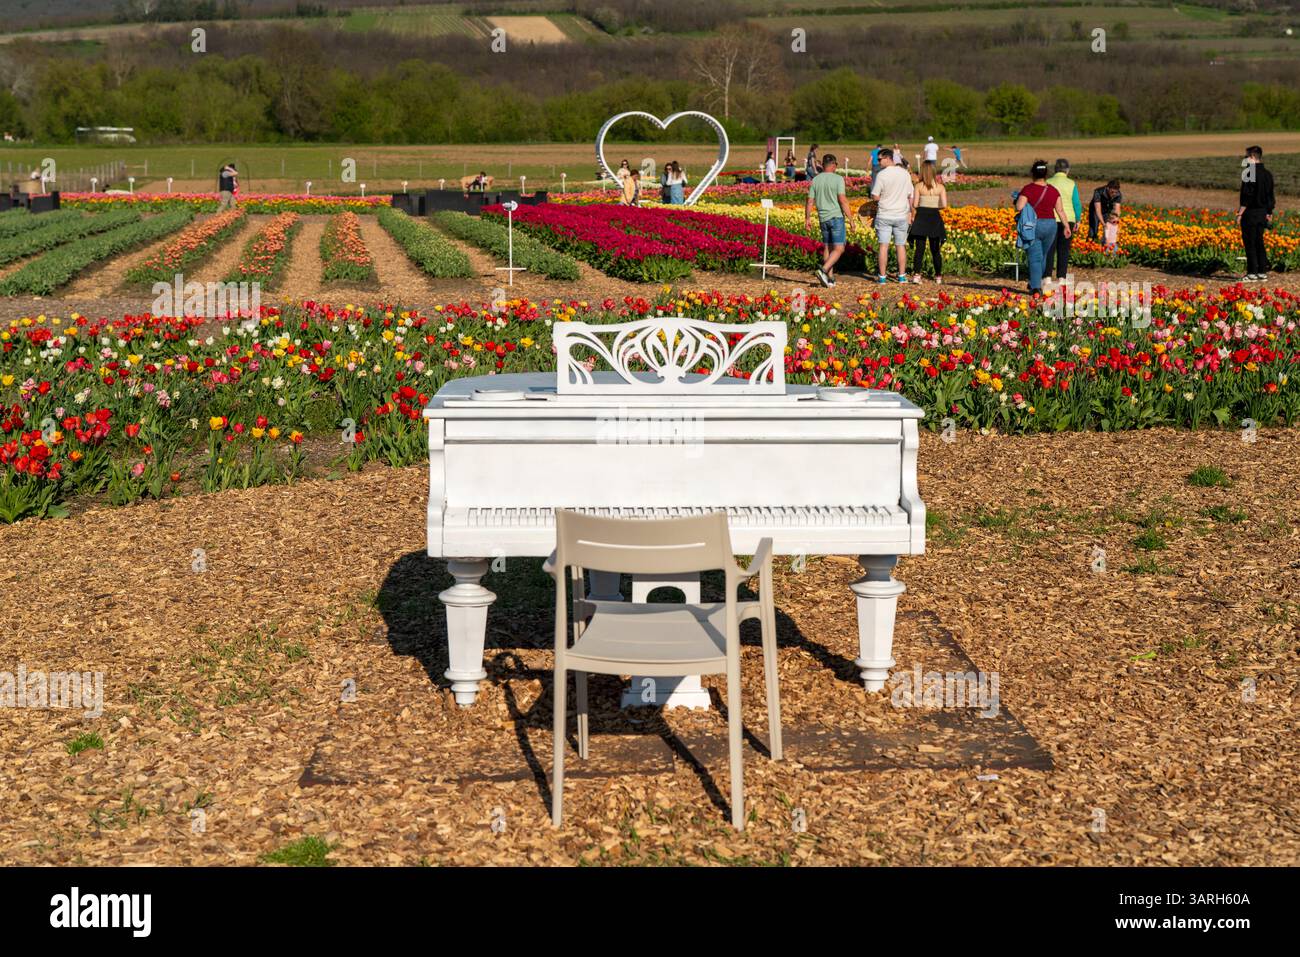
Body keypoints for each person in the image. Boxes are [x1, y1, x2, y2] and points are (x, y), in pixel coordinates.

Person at [1014, 160, 1071, 295]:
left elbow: (1019, 207)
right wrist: (1066, 226)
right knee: (1043, 255)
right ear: (1046, 174)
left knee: (1034, 257)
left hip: (1033, 225)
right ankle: (1037, 280)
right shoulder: (1053, 190)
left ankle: (1035, 287)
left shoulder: (1028, 189)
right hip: (1051, 225)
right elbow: (1060, 210)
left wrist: (1018, 200)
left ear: (1033, 173)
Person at [805, 153, 852, 288]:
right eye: (836, 165)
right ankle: (823, 270)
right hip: (836, 217)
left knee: (828, 247)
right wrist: (851, 219)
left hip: (822, 218)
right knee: (839, 248)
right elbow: (842, 200)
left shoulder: (816, 179)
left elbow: (809, 201)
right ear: (833, 165)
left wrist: (807, 218)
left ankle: (829, 278)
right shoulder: (838, 179)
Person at [870, 149, 914, 284]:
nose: (878, 162)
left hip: (884, 214)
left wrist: (880, 198)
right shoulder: (905, 173)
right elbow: (910, 195)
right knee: (900, 246)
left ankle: (882, 277)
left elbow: (875, 195)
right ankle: (902, 276)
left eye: (880, 159)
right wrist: (911, 211)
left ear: (888, 158)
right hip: (901, 214)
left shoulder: (881, 175)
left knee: (883, 246)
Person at [1238, 145, 1275, 281]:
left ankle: (1252, 272)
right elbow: (1270, 196)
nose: (1245, 159)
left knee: (1250, 242)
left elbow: (1247, 196)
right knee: (1259, 241)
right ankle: (1262, 272)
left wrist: (1240, 213)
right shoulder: (1267, 174)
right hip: (1263, 213)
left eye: (1247, 156)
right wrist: (1269, 212)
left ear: (1253, 157)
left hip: (1250, 213)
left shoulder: (1249, 173)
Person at [908, 160, 948, 283]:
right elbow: (944, 205)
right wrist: (934, 207)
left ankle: (916, 275)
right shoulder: (940, 187)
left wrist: (923, 205)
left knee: (920, 248)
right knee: (935, 248)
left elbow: (914, 204)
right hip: (934, 217)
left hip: (921, 217)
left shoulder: (918, 186)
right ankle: (938, 276)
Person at [1045, 158, 1081, 282]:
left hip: (1051, 218)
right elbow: (1076, 203)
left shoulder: (1048, 182)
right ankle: (1061, 278)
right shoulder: (1071, 183)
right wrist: (1078, 219)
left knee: (1049, 249)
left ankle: (1047, 277)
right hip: (1068, 219)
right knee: (1064, 249)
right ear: (1067, 170)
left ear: (1055, 170)